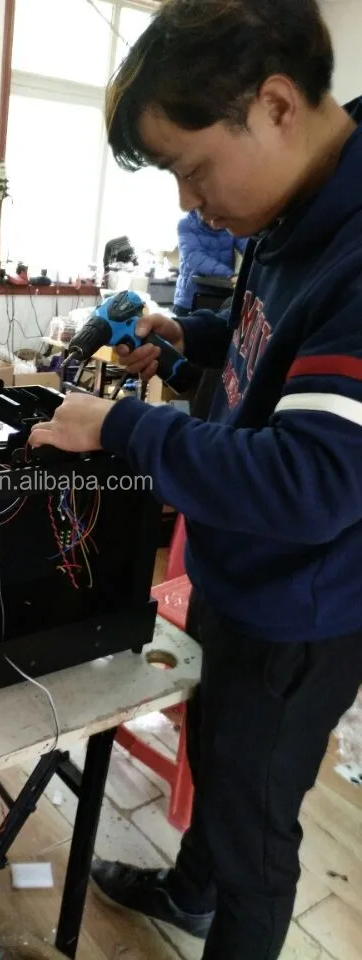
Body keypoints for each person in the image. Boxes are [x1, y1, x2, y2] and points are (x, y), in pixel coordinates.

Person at [28, 2, 362, 958]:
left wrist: (120, 425)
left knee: (257, 831)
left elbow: (311, 479)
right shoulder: (295, 202)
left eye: (193, 167)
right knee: (216, 759)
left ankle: (224, 904)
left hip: (300, 611)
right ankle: (190, 890)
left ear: (276, 105)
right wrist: (192, 338)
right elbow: (276, 355)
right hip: (237, 569)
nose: (191, 203)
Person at [173, 210, 248, 315]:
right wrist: (230, 275)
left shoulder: (228, 223)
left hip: (221, 297)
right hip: (190, 299)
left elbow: (249, 249)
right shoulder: (186, 223)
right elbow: (194, 257)